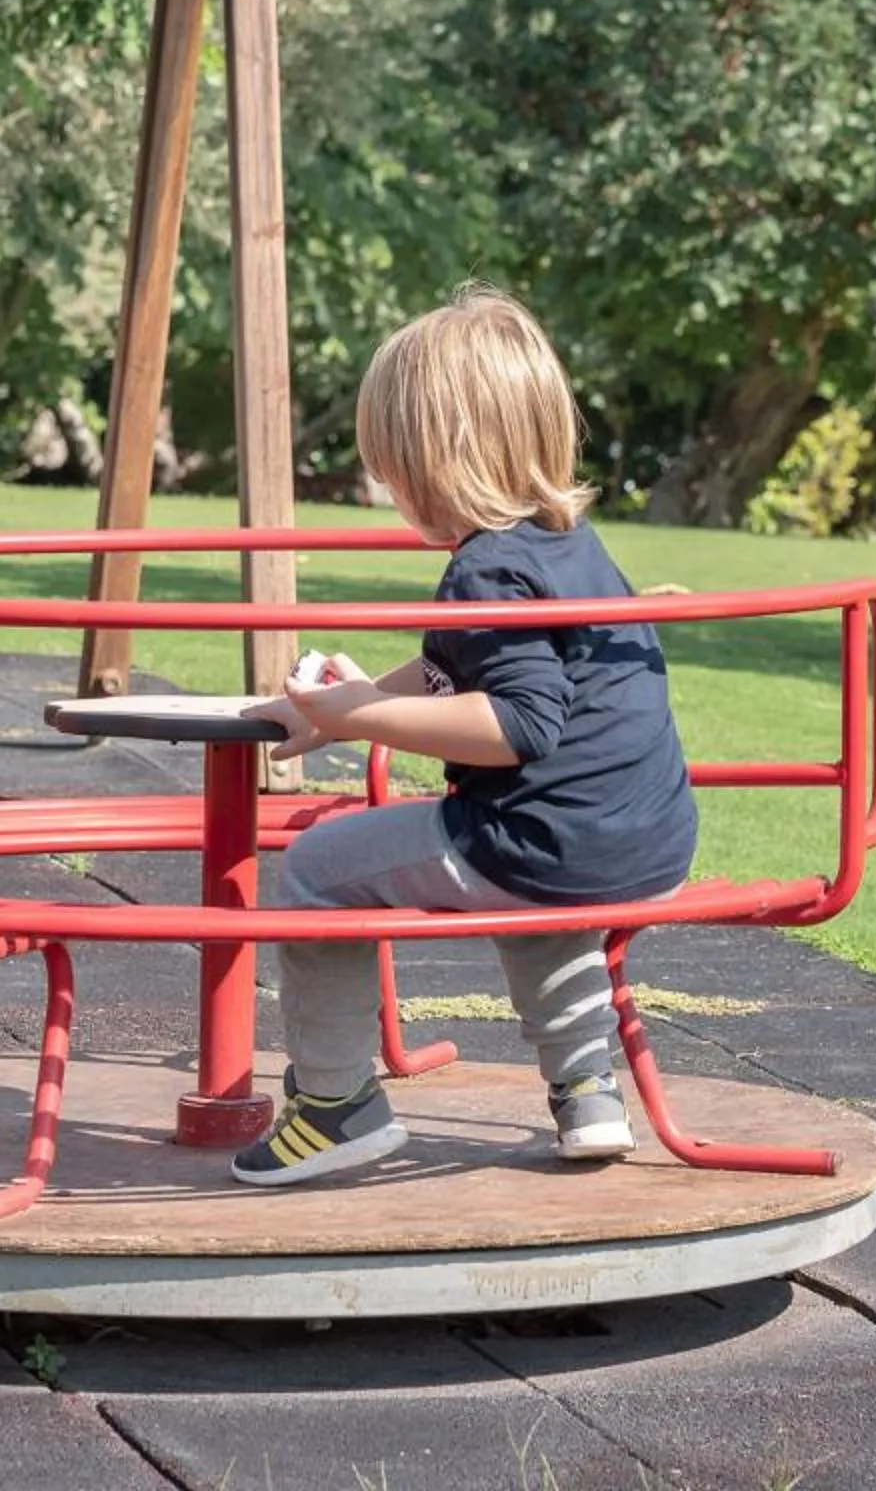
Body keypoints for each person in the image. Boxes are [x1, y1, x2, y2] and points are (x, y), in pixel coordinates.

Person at [237, 286, 696, 1186]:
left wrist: (360, 717)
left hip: (535, 836)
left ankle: (336, 1106)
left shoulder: (484, 568)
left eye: (392, 469)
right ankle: (588, 1094)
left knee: (316, 871)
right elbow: (484, 671)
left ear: (435, 462)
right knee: (548, 895)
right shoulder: (565, 542)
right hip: (642, 838)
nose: (388, 491)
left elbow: (517, 723)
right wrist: (347, 701)